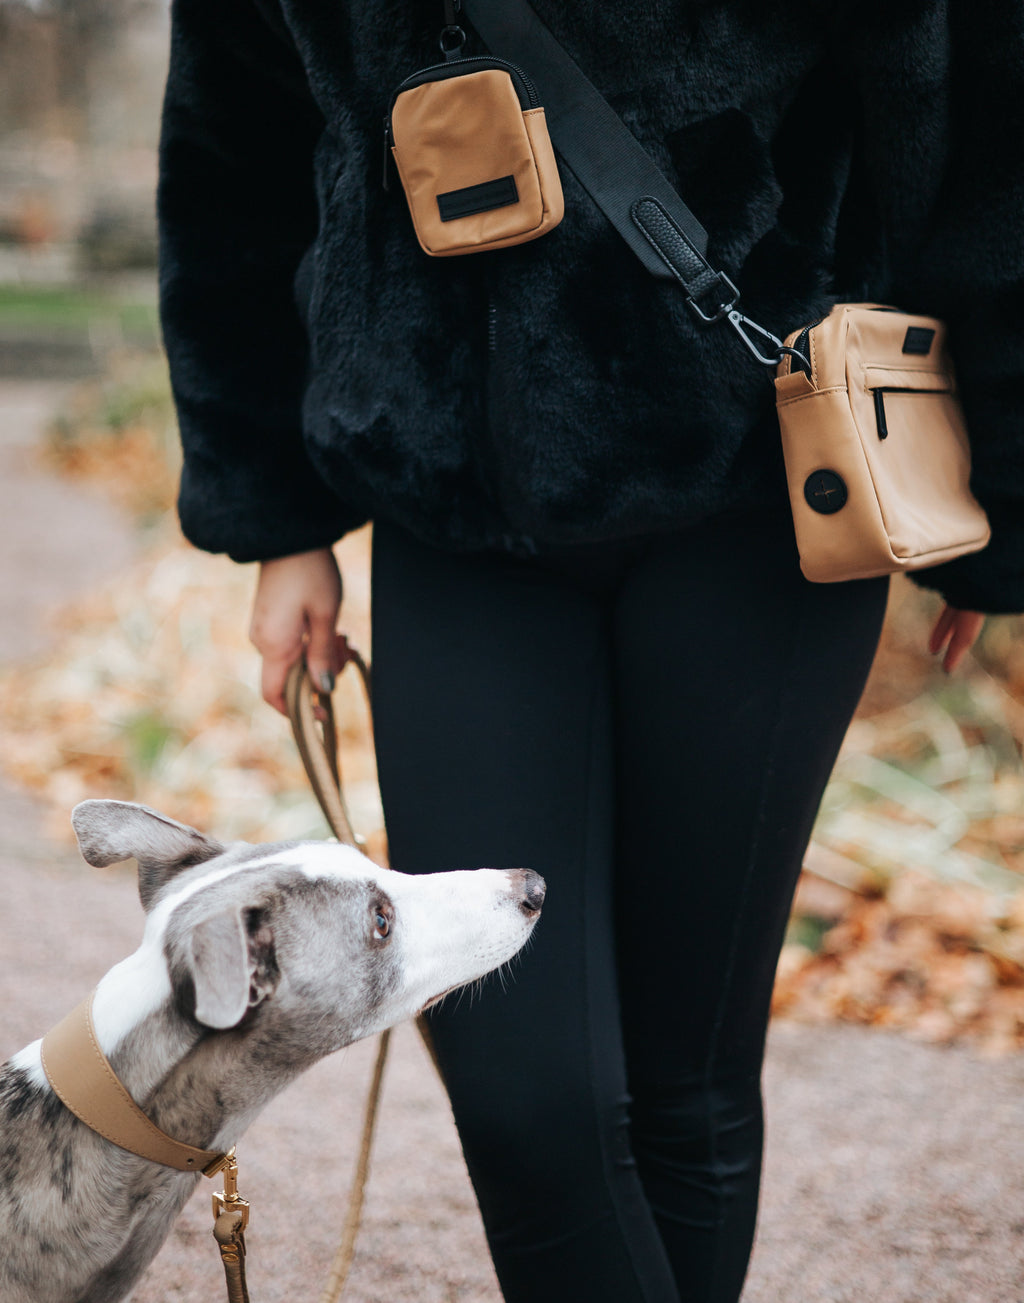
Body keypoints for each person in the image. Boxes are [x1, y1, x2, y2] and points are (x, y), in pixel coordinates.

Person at [157, 1, 1022, 1299]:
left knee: (690, 1082)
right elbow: (237, 143)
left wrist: (989, 500)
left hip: (768, 495)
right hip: (452, 513)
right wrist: (279, 517)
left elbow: (976, 122)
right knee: (523, 1095)